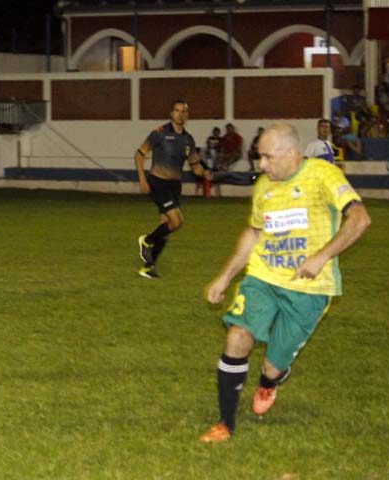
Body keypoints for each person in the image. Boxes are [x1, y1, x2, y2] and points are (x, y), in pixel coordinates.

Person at [199, 123, 370, 443]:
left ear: (292, 154)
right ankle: (225, 424)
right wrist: (225, 276)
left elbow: (359, 218)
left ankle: (270, 381)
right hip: (263, 277)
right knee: (238, 337)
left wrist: (321, 257)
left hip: (310, 290)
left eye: (267, 157)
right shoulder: (264, 185)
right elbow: (254, 232)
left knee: (272, 367)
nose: (261, 165)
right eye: (259, 157)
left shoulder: (323, 175)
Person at [134, 99, 209, 279]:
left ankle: (148, 267)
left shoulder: (188, 139)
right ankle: (147, 240)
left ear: (187, 115)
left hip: (175, 186)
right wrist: (142, 179)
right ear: (171, 113)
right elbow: (139, 154)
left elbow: (195, 166)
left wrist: (205, 172)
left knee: (166, 229)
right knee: (176, 222)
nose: (181, 114)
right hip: (158, 183)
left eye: (184, 111)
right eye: (177, 110)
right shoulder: (159, 133)